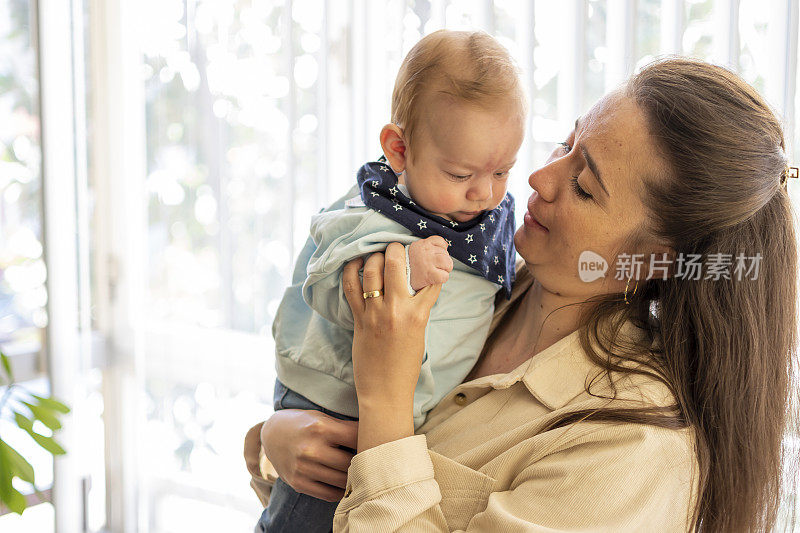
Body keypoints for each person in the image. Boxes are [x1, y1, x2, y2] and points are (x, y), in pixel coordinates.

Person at [246, 57, 799, 532]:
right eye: (567, 142)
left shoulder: (634, 451)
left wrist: (385, 405)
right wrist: (275, 445)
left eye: (584, 186)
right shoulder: (482, 284)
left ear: (658, 259)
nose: (538, 176)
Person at [261, 30, 526, 531]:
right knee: (300, 522)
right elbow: (323, 284)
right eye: (460, 174)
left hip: (399, 419)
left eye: (503, 172)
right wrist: (401, 267)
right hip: (332, 404)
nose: (485, 194)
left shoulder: (487, 223)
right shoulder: (375, 212)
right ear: (399, 150)